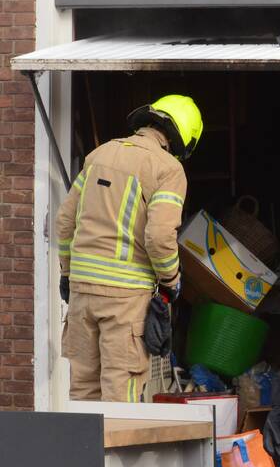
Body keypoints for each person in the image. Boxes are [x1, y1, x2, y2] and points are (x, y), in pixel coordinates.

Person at [56, 95, 201, 402]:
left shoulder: (99, 155)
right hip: (125, 299)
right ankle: (113, 452)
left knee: (83, 390)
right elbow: (159, 236)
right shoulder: (168, 168)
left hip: (82, 293)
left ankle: (83, 452)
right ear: (182, 138)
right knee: (120, 394)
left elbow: (65, 221)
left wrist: (68, 273)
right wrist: (171, 280)